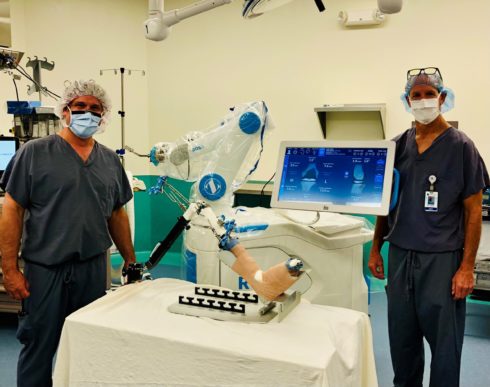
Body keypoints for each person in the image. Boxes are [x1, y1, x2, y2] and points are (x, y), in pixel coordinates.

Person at [0, 80, 136, 387]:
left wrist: (130, 259)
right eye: (80, 107)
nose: (87, 114)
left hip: (92, 267)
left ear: (104, 117)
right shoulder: (35, 153)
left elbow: (117, 212)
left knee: (88, 344)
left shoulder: (110, 161)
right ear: (66, 111)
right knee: (39, 344)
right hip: (45, 268)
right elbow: (12, 210)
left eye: (95, 109)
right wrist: (9, 269)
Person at [368, 67, 489, 387]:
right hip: (401, 256)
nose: (422, 101)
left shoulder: (461, 146)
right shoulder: (397, 146)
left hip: (442, 260)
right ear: (407, 100)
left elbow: (474, 213)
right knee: (402, 342)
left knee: (445, 346)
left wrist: (466, 269)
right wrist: (376, 248)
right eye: (416, 95)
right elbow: (384, 203)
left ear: (443, 98)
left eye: (428, 94)